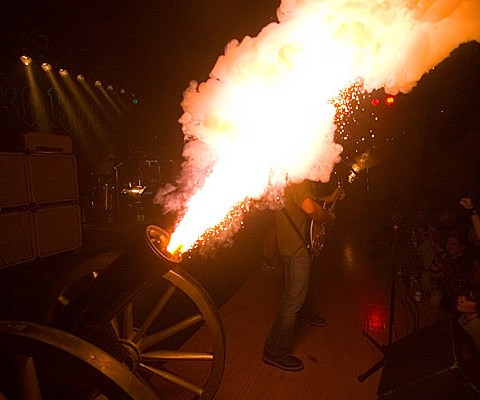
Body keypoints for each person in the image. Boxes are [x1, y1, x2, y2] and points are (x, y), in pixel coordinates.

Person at [262, 179, 344, 371]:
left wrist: (330, 197)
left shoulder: (292, 173)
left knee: (302, 287)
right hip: (296, 249)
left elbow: (300, 200)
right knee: (293, 300)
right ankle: (274, 351)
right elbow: (309, 207)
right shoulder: (299, 177)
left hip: (298, 244)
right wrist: (328, 218)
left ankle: (305, 313)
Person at [456, 286, 480, 353]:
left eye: (469, 299)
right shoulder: (464, 315)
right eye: (462, 295)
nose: (460, 300)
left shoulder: (476, 327)